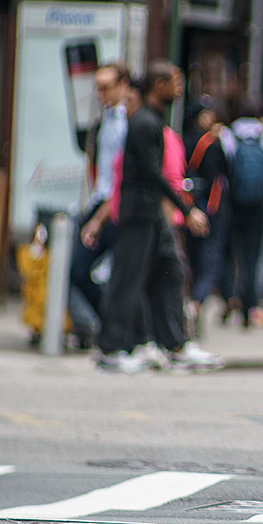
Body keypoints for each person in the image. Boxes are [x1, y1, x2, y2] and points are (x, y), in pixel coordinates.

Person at [93, 61, 223, 374]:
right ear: (158, 85)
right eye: (174, 82)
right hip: (139, 213)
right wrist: (186, 208)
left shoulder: (150, 121)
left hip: (150, 214)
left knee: (171, 273)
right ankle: (110, 350)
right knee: (127, 279)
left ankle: (176, 345)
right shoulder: (145, 123)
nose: (179, 89)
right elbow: (152, 174)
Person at [69, 62, 130, 344]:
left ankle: (116, 329)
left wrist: (98, 218)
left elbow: (119, 179)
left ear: (123, 85)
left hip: (113, 207)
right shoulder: (104, 118)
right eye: (97, 87)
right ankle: (108, 325)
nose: (100, 93)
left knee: (117, 274)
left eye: (105, 87)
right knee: (77, 268)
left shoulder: (128, 122)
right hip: (99, 202)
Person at [217, 99, 263, 327]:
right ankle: (248, 308)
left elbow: (223, 168)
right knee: (251, 257)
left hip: (232, 203)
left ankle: (227, 299)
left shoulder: (227, 135)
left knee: (227, 254)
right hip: (257, 204)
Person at [182, 96, 230, 333]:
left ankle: (191, 300)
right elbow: (222, 175)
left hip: (189, 206)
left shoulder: (184, 140)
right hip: (211, 208)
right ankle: (196, 303)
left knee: (192, 258)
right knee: (210, 261)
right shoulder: (211, 142)